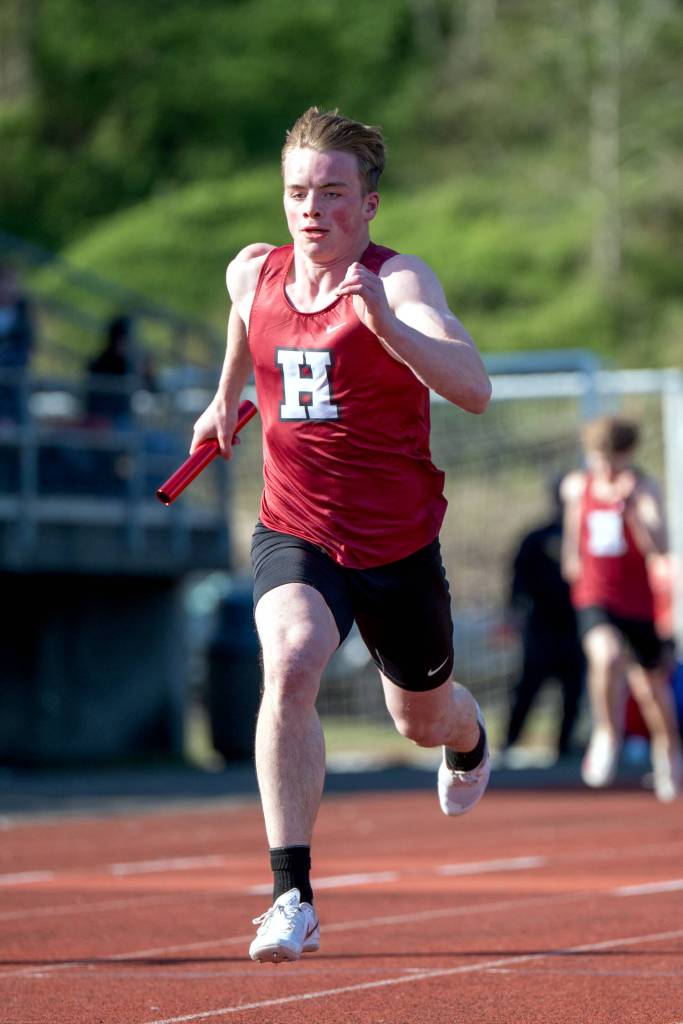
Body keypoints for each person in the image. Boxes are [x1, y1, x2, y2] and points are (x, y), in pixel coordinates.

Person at [191, 107, 492, 964]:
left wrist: (390, 333)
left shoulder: (398, 283)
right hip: (296, 526)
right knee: (288, 658)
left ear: (368, 205)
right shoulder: (252, 272)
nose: (310, 208)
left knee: (420, 719)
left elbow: (473, 388)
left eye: (330, 192)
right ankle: (291, 896)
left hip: (396, 545)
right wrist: (223, 397)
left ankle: (467, 736)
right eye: (296, 192)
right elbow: (244, 326)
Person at [561, 415, 682, 802]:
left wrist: (632, 511)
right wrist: (574, 567)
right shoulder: (579, 487)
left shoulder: (643, 487)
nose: (607, 468)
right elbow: (571, 545)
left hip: (638, 603)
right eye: (600, 459)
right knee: (606, 654)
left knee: (650, 689)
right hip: (596, 597)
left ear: (628, 455)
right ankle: (606, 733)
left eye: (615, 459)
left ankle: (668, 752)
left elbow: (659, 546)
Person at [500, 476, 585, 763]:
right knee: (528, 687)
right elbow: (517, 579)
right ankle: (508, 744)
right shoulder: (536, 538)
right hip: (541, 625)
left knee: (574, 690)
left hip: (578, 625)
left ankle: (564, 749)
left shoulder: (588, 536)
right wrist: (512, 613)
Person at [0, 264, 34, 423]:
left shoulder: (23, 313)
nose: (10, 288)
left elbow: (27, 347)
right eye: (6, 282)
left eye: (13, 282)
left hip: (13, 373)